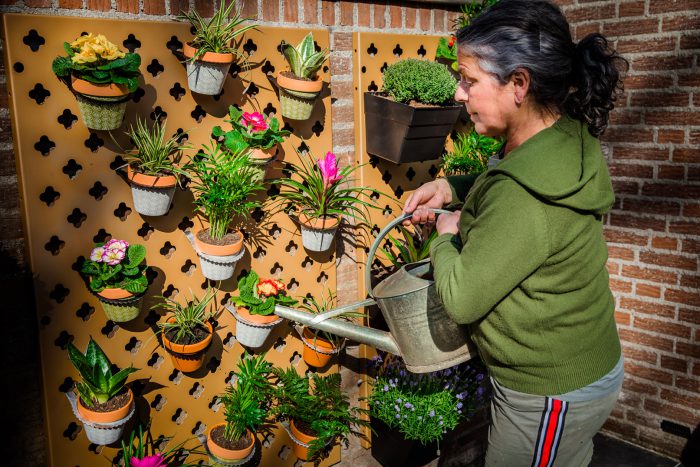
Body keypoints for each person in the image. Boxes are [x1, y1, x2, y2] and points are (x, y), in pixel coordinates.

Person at [402, 1, 628, 466]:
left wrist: (446, 234)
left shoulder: (521, 196)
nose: (459, 93)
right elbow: (512, 178)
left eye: (469, 79)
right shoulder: (563, 137)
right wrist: (451, 187)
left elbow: (462, 298)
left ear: (519, 84)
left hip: (549, 393)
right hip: (580, 371)